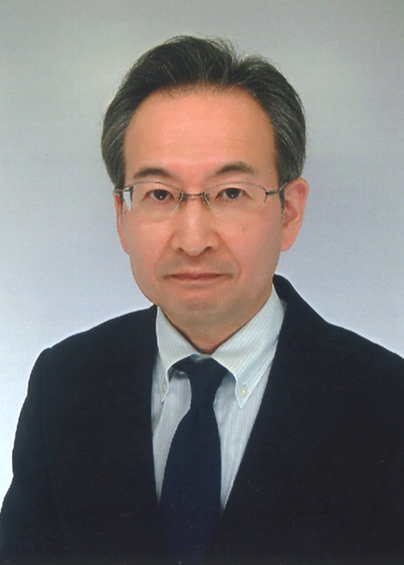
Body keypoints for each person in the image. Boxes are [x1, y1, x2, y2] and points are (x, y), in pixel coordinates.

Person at [1, 36, 404, 565]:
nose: (193, 240)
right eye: (159, 194)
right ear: (122, 216)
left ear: (289, 211)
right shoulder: (65, 385)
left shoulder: (387, 405)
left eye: (231, 193)